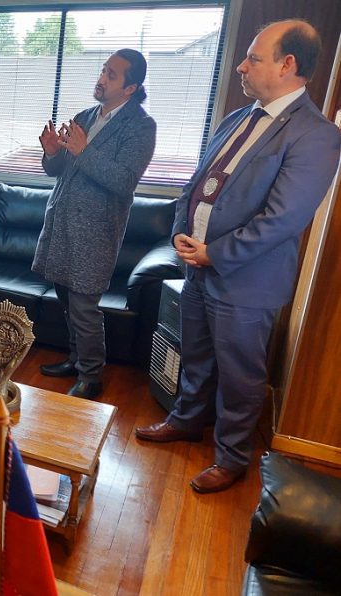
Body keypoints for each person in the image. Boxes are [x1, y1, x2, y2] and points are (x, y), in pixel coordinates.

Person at [135, 20, 341, 494]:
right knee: (197, 355)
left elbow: (283, 218)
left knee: (241, 376)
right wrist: (182, 235)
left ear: (289, 65)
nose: (241, 66)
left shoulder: (316, 135)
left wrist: (216, 253)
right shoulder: (240, 117)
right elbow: (197, 182)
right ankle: (186, 420)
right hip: (198, 266)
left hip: (247, 281)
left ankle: (232, 457)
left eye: (254, 58)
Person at [33, 49, 156, 400]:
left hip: (96, 233)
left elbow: (123, 180)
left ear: (130, 88)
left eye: (112, 75)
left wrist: (83, 151)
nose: (101, 79)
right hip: (61, 225)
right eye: (103, 71)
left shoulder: (141, 127)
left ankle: (92, 377)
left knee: (85, 308)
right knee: (66, 300)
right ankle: (75, 359)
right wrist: (53, 152)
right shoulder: (85, 116)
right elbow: (57, 172)